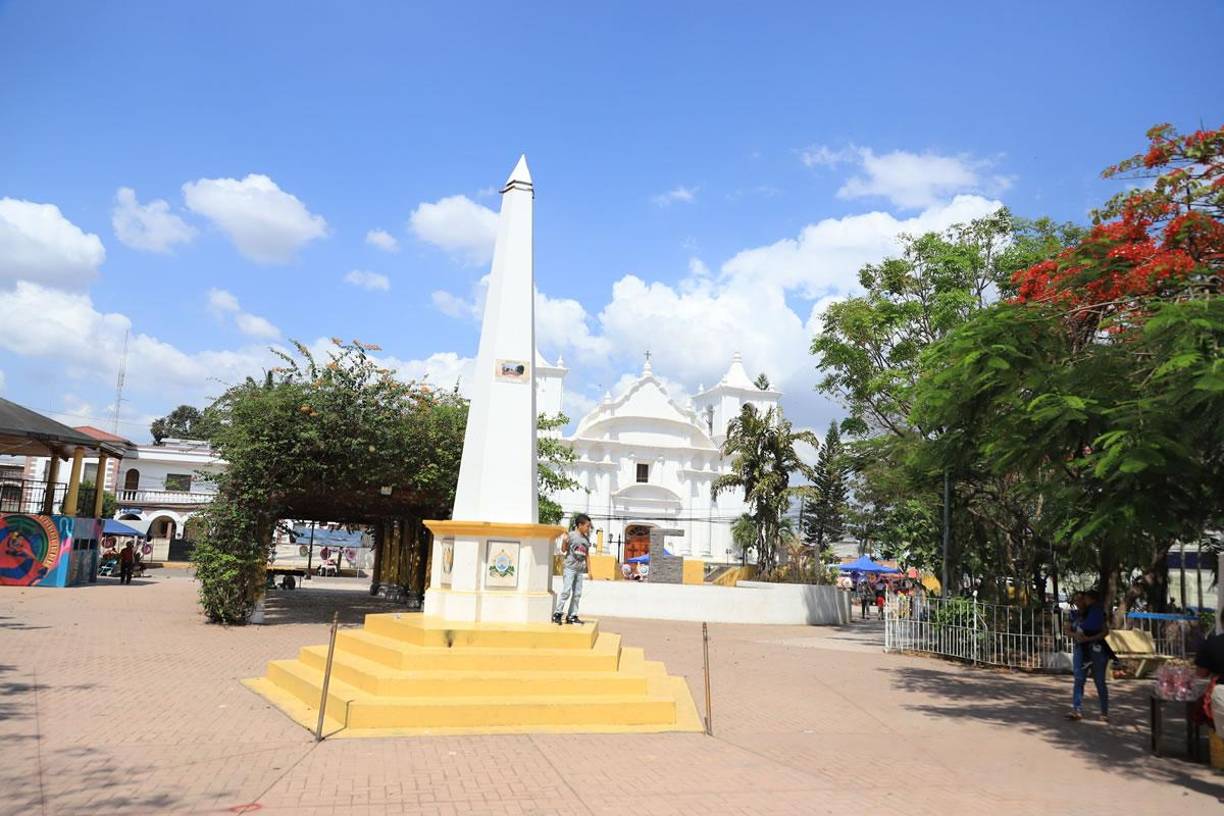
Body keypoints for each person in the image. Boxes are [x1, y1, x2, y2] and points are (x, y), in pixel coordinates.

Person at [1067, 590, 1111, 722]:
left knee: (1099, 681)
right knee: (1079, 678)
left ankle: (1104, 712)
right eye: (1077, 600)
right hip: (1081, 649)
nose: (1079, 602)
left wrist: (1089, 638)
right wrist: (1076, 636)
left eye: (1082, 599)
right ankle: (1077, 709)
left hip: (1097, 649)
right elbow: (1067, 630)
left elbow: (1105, 631)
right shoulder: (1074, 615)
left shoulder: (1096, 613)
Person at [553, 513, 592, 625]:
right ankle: (558, 613)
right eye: (587, 526)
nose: (588, 528)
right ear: (580, 525)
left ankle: (572, 615)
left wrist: (589, 571)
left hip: (580, 570)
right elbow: (564, 550)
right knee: (566, 591)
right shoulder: (571, 535)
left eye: (589, 526)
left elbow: (587, 555)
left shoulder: (586, 539)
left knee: (577, 593)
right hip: (570, 568)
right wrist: (564, 541)